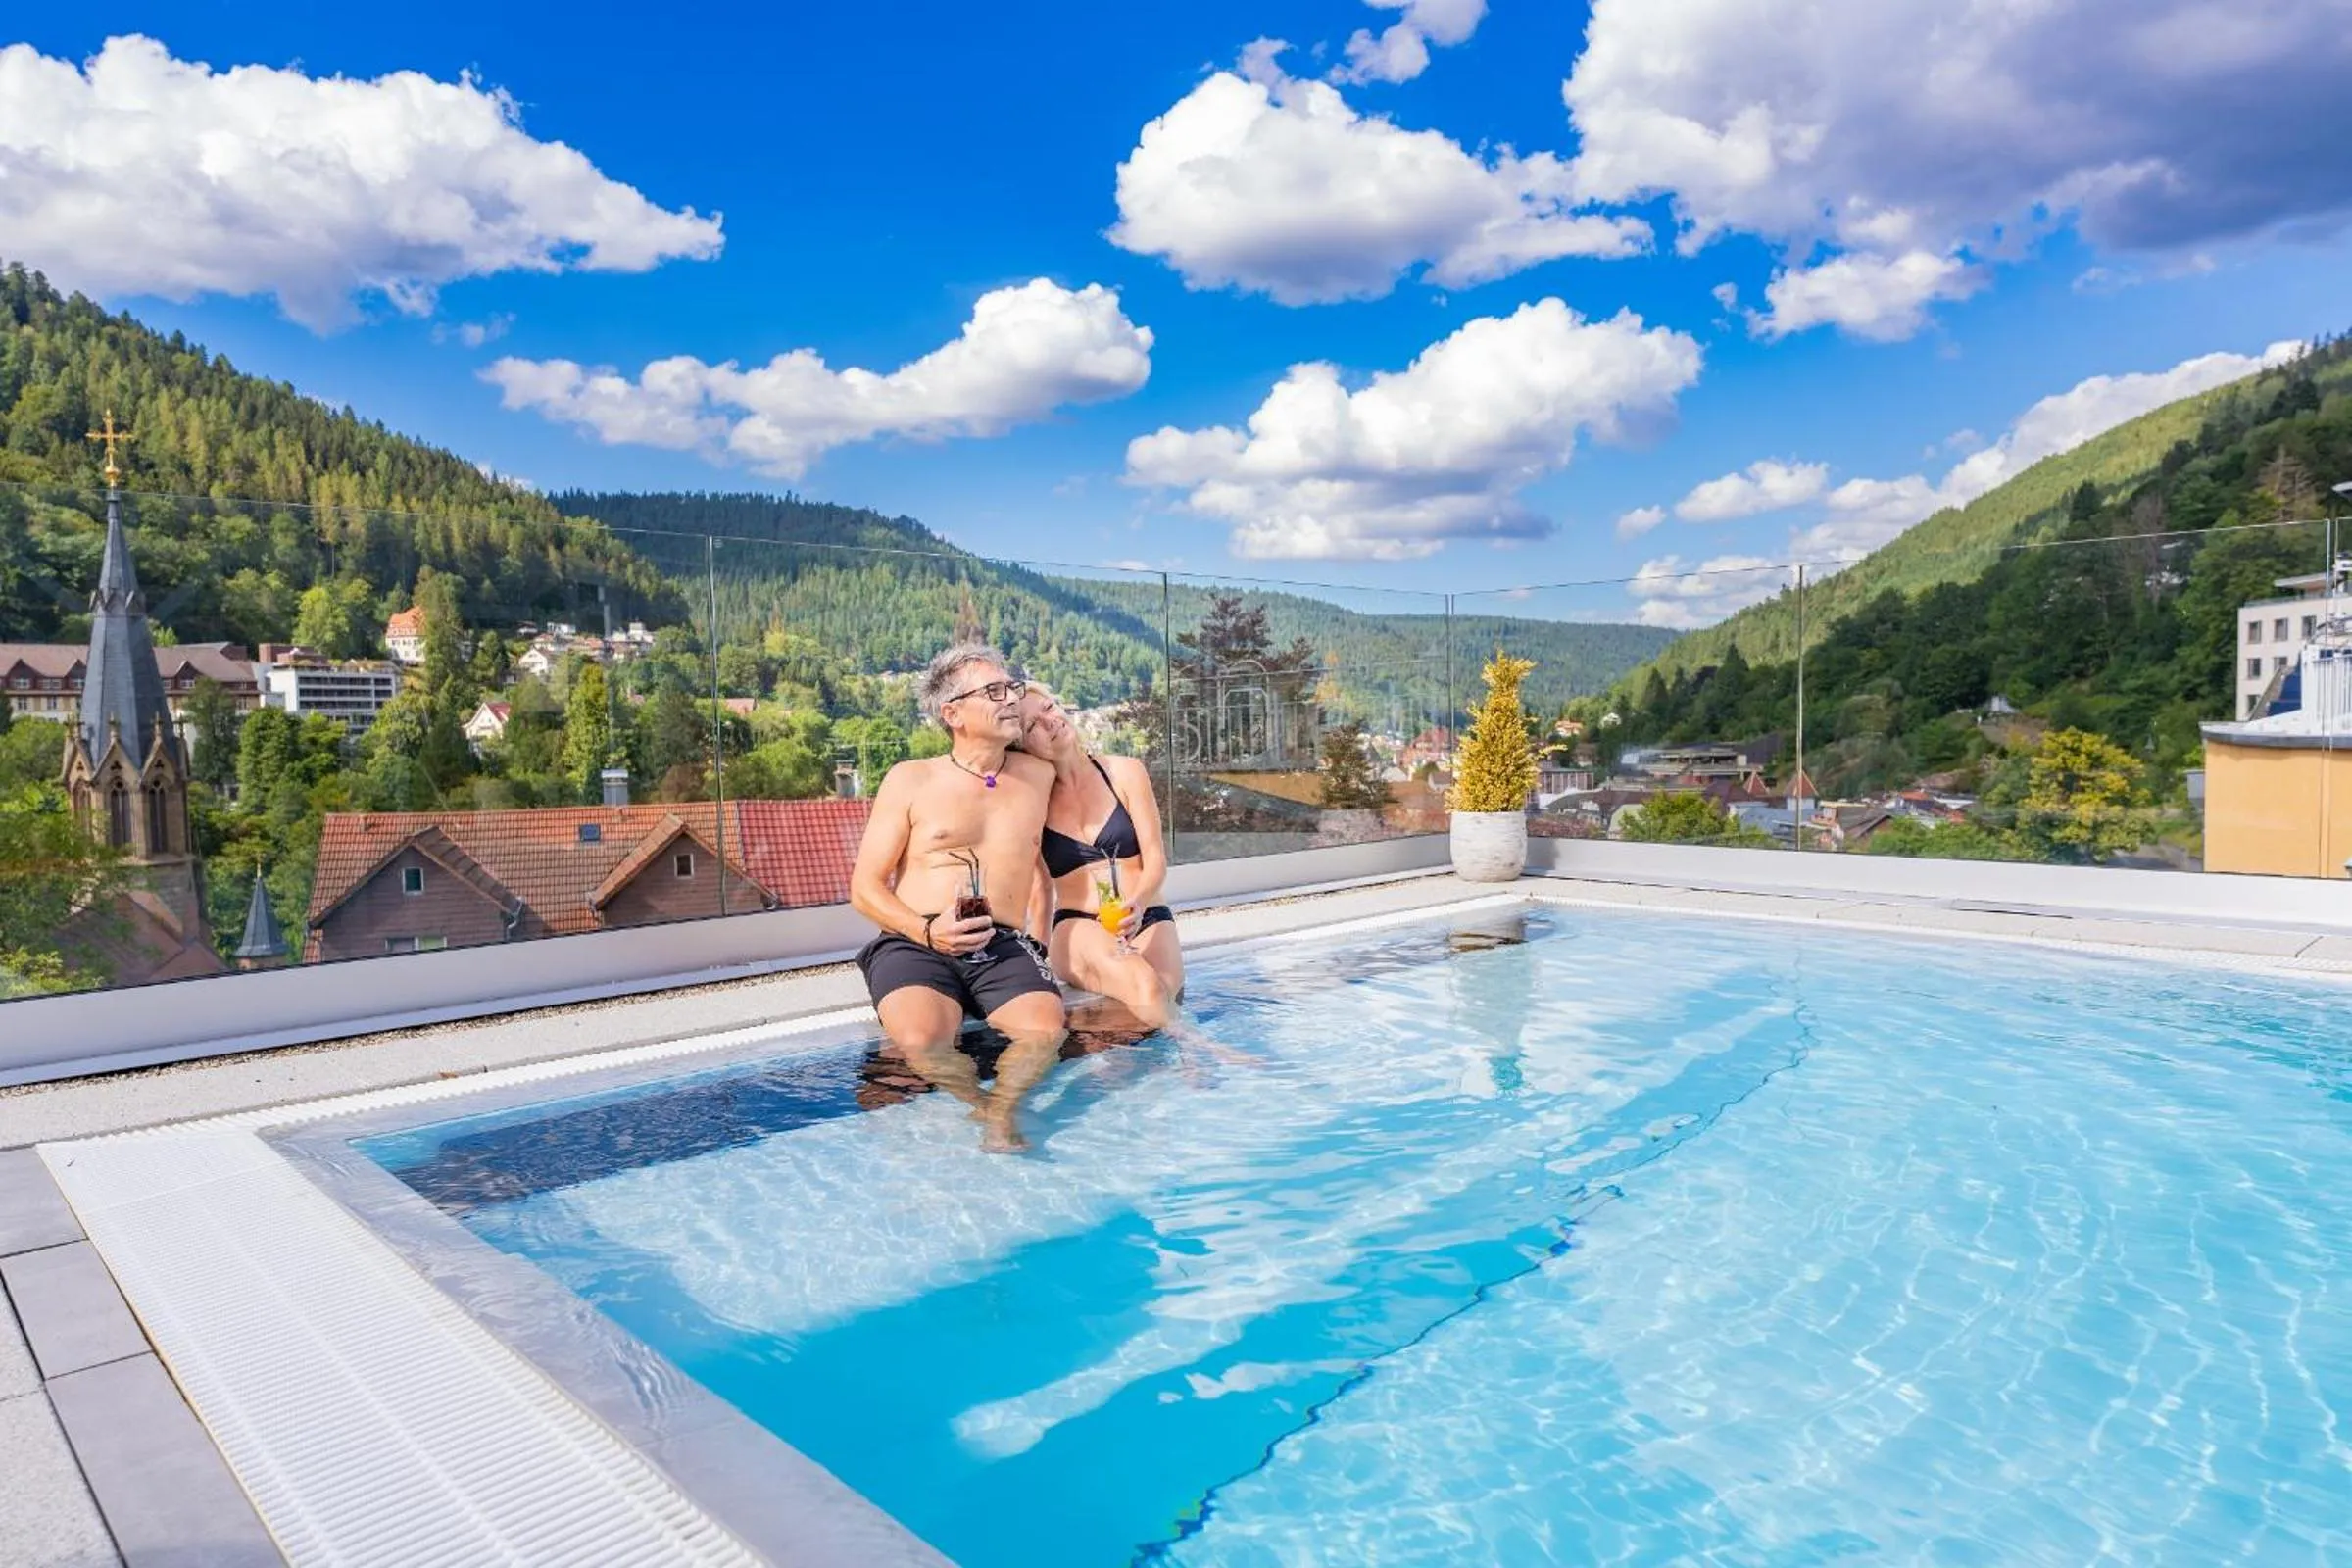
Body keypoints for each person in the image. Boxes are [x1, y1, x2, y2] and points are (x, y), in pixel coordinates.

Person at [849, 645, 1065, 1151]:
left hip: (1003, 943)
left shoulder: (1039, 775)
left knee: (1045, 1033)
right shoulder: (911, 778)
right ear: (952, 714)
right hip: (917, 939)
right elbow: (864, 887)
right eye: (993, 691)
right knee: (922, 1040)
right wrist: (927, 931)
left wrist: (1042, 940)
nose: (1010, 699)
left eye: (1011, 687)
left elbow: (1086, 802)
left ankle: (999, 1117)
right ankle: (983, 1107)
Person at [1016, 685, 1184, 1031]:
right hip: (1079, 925)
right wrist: (1037, 953)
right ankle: (1203, 1051)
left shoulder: (1125, 772)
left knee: (1161, 1003)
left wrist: (1137, 903)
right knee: (1146, 988)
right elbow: (1040, 885)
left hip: (1146, 912)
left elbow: (1155, 858)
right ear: (1022, 746)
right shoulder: (1033, 802)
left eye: (1049, 707)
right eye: (1032, 725)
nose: (1049, 722)